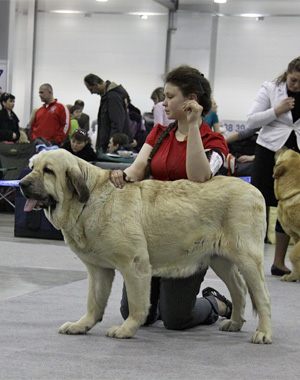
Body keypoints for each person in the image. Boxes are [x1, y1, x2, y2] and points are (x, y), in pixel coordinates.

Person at [110, 65, 231, 331]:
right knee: (133, 313)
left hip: (190, 236)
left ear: (191, 101)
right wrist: (124, 175)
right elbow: (138, 168)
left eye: (170, 96)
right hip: (151, 232)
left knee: (176, 319)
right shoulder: (158, 133)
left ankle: (215, 303)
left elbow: (198, 177)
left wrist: (194, 128)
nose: (163, 103)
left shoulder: (215, 142)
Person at [247, 56, 300, 276]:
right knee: (258, 204)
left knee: (287, 210)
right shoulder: (270, 89)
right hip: (269, 152)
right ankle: (249, 259)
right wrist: (276, 110)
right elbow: (251, 121)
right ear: (287, 73)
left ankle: (279, 262)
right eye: (294, 80)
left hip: (296, 158)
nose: (296, 86)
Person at [84, 73, 133, 153]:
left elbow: (117, 123)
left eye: (91, 89)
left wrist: (112, 144)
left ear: (96, 85)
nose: (92, 93)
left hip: (113, 147)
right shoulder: (108, 96)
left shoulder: (112, 97)